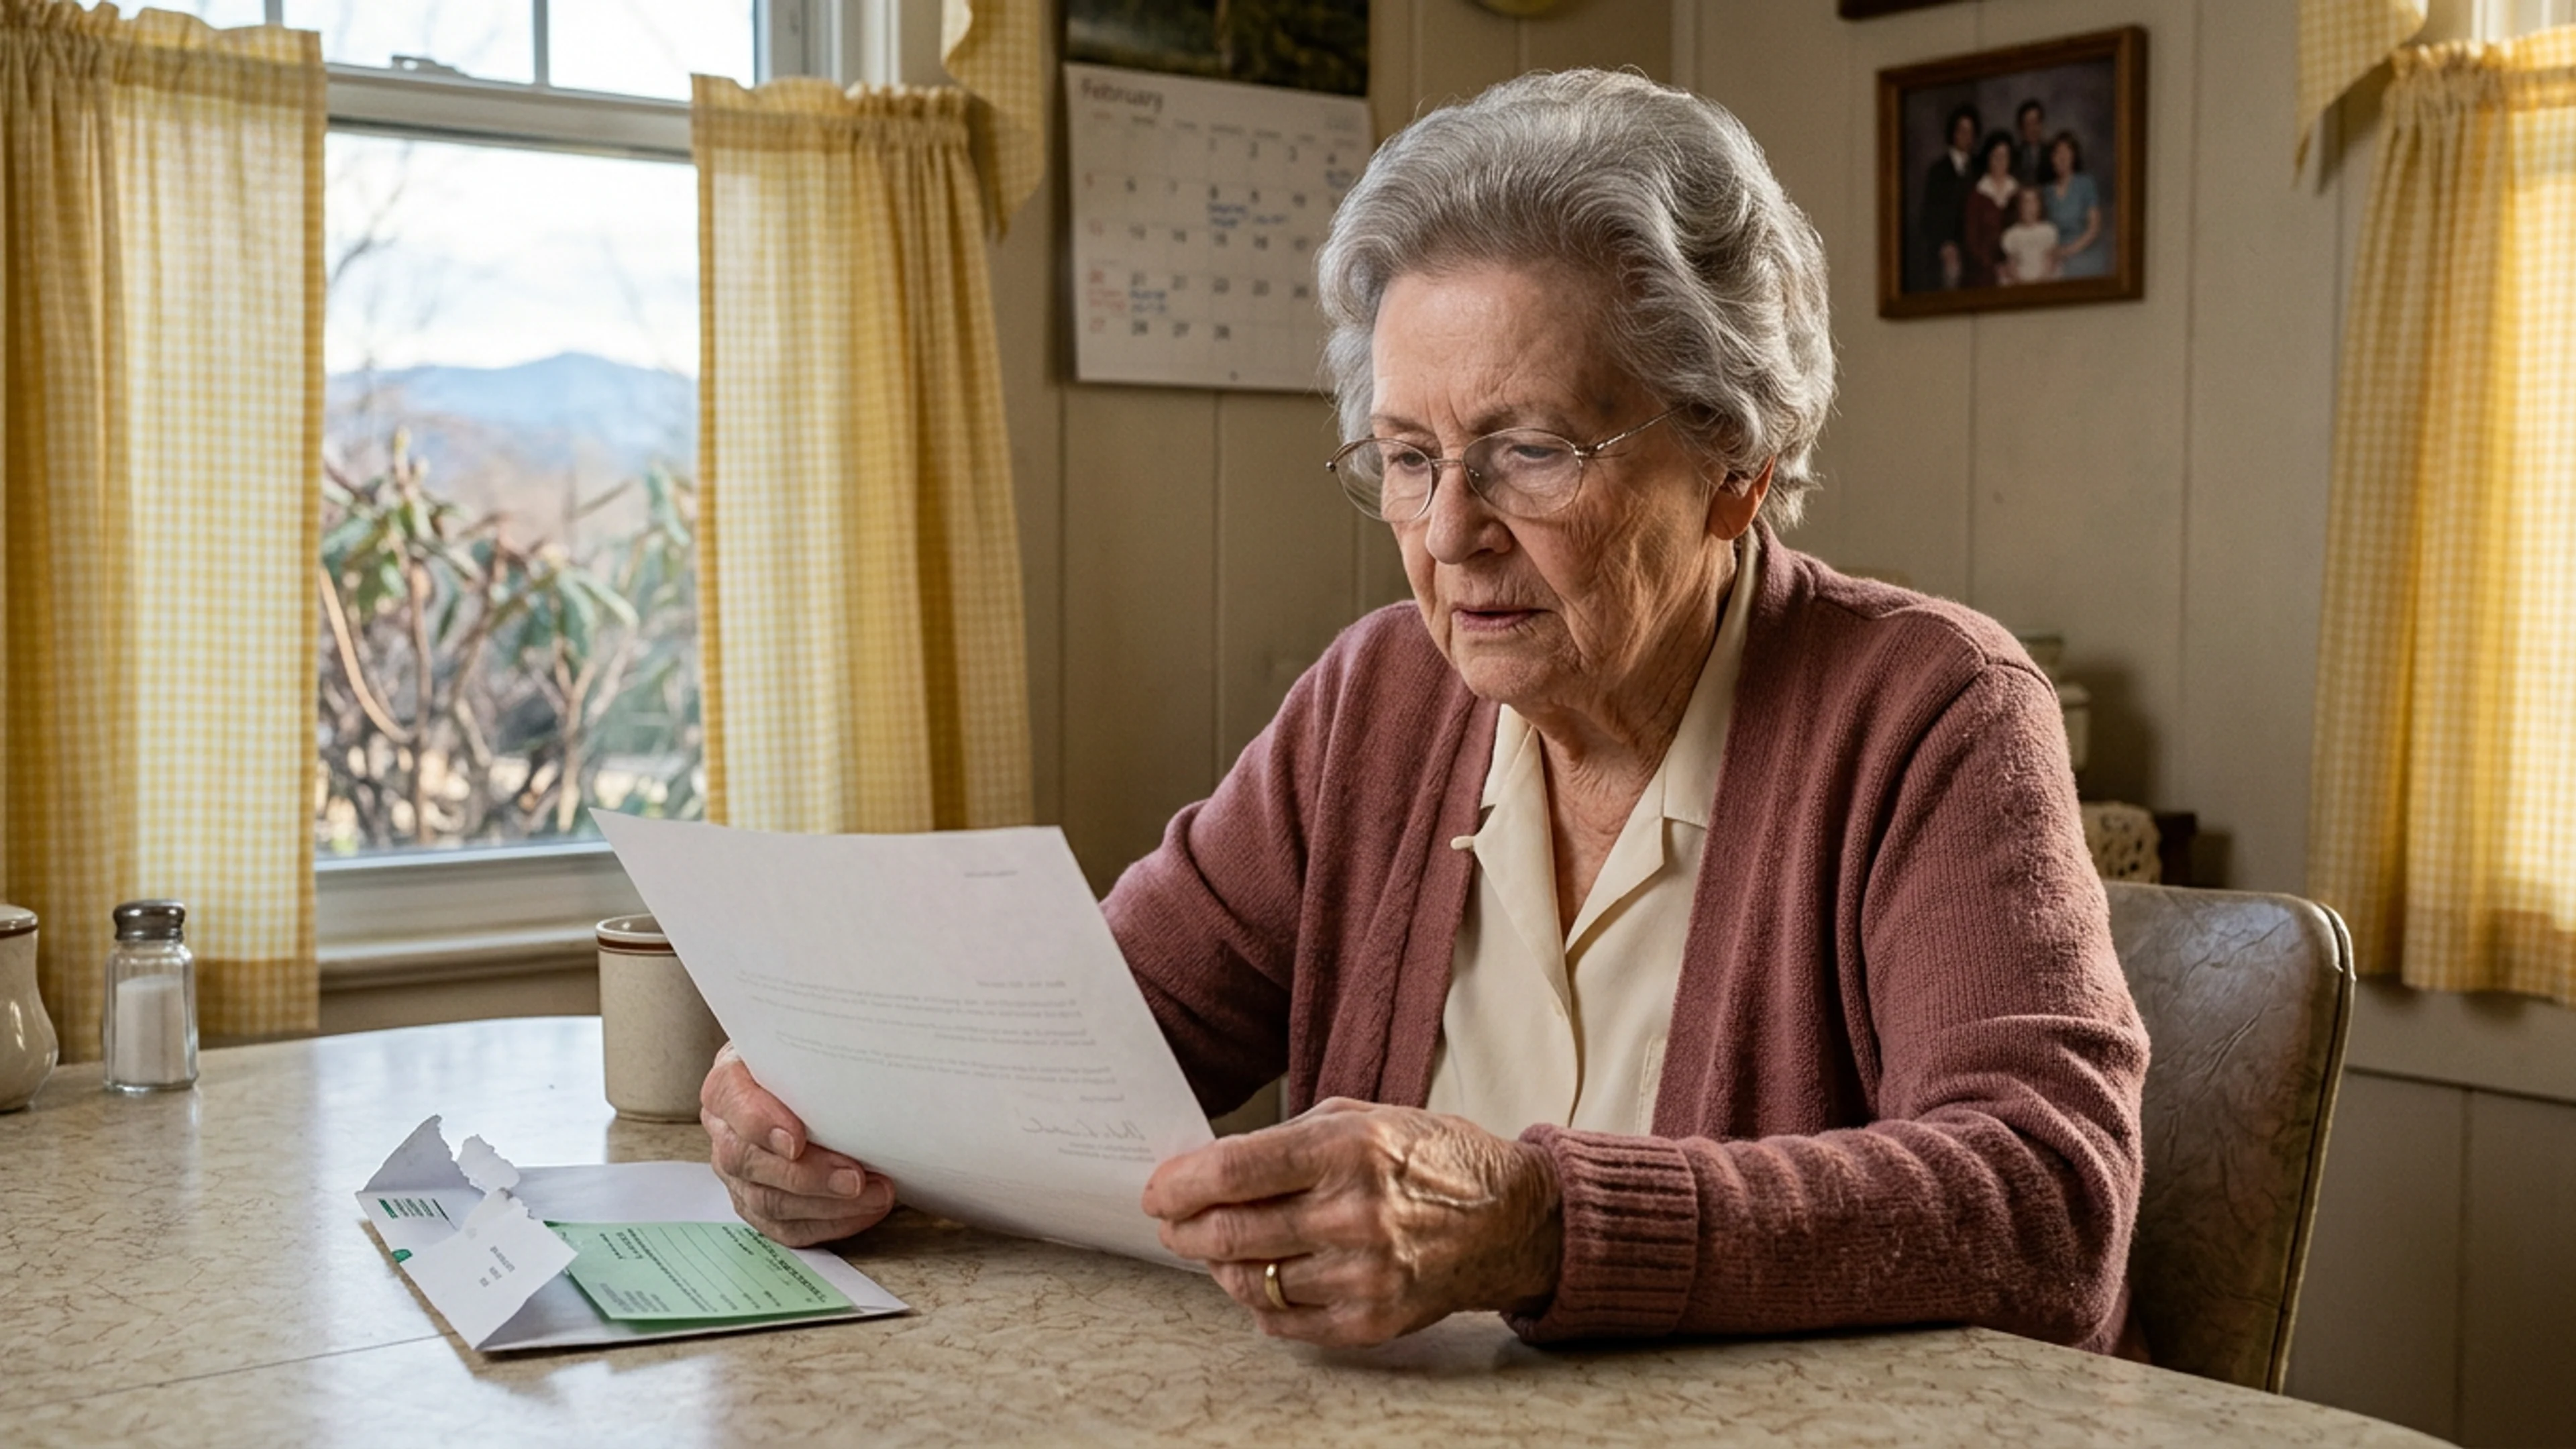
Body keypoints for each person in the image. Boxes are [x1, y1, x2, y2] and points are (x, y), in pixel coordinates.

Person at [700, 70, 2147, 1358]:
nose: (1451, 532)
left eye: (1530, 451)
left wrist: (1539, 1223)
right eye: (1407, 456)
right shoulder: (1376, 700)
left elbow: (2045, 1204)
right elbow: (1085, 1036)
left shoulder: (1932, 710)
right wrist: (822, 1092)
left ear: (1737, 463)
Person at [1915, 103, 1980, 290]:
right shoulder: (1938, 171)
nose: (1966, 136)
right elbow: (1930, 213)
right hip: (1947, 246)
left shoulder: (1978, 168)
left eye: (1970, 131)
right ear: (1953, 133)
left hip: (1972, 243)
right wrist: (1944, 244)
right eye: (1962, 130)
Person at [2043, 131, 2108, 279]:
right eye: (2057, 153)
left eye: (2066, 152)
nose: (2062, 158)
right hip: (2056, 253)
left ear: (2074, 156)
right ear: (2052, 159)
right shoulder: (2046, 192)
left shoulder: (2086, 184)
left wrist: (2068, 251)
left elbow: (2094, 229)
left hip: (2084, 252)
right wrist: (2055, 253)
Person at [1962, 129, 2019, 289]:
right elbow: (1971, 241)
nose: (2000, 162)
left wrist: (2011, 265)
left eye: (2005, 157)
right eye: (1996, 157)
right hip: (1984, 267)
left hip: (2017, 264)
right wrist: (1994, 266)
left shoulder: (2018, 192)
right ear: (1988, 159)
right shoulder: (1977, 195)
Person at [2000, 185, 2061, 284]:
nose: (2030, 206)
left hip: (2044, 279)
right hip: (2020, 281)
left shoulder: (2048, 230)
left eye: (2034, 201)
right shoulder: (2012, 234)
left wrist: (2042, 280)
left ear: (2040, 205)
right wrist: (2021, 282)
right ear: (2019, 206)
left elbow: (2050, 260)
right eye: (2026, 202)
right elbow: (2012, 264)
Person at [2013, 99, 2050, 186]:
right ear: (2021, 128)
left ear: (2042, 124)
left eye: (2036, 122)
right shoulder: (2014, 156)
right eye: (2028, 124)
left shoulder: (2052, 153)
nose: (2033, 129)